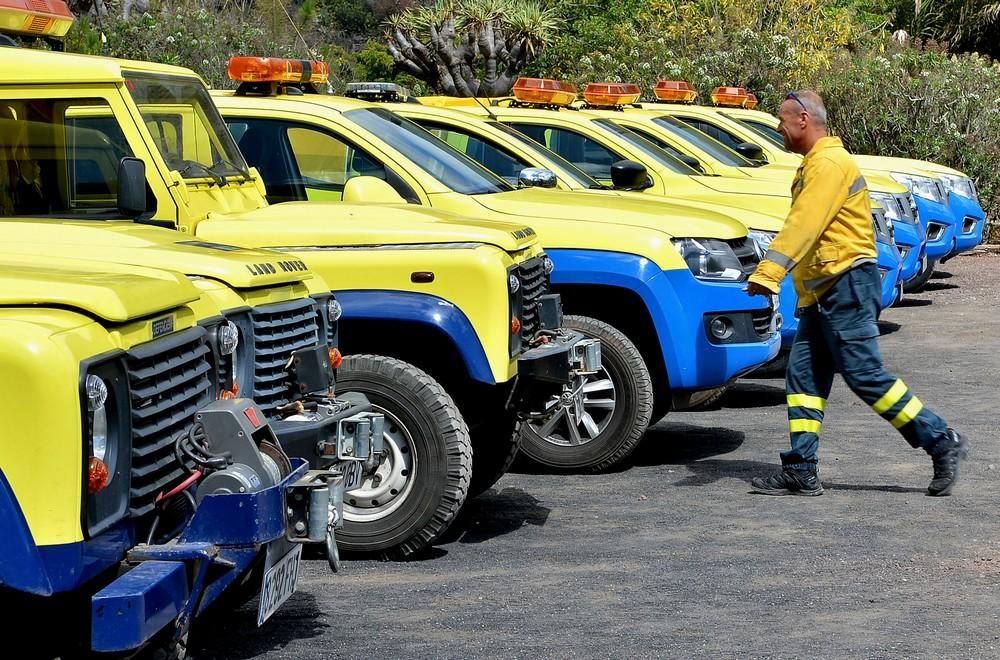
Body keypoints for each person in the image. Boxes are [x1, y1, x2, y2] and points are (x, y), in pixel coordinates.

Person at [745, 90, 967, 497]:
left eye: (781, 119)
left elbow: (804, 223)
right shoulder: (820, 162)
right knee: (804, 378)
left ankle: (939, 439)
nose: (777, 127)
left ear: (803, 120)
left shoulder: (828, 164)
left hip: (845, 284)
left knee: (865, 375)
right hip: (826, 289)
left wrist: (770, 271)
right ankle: (802, 469)